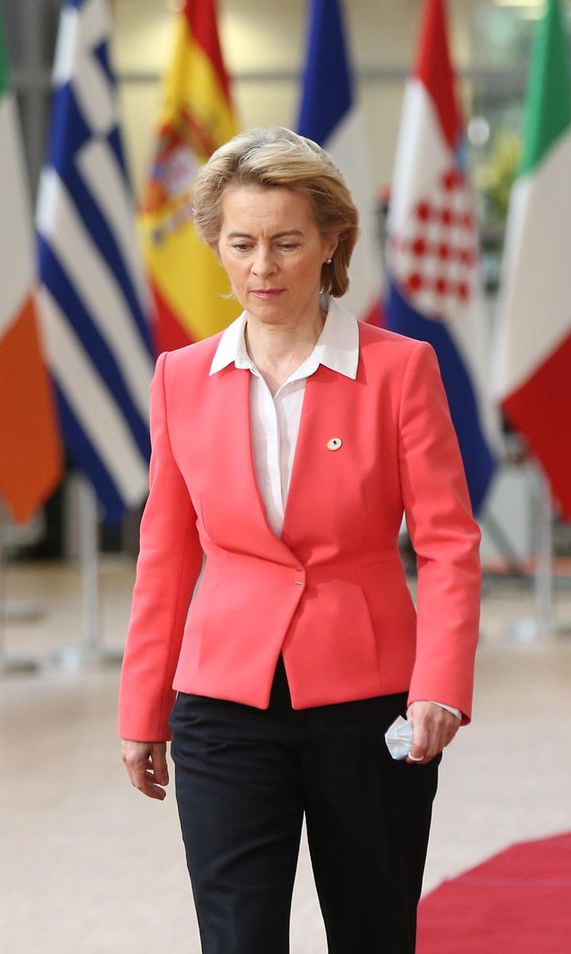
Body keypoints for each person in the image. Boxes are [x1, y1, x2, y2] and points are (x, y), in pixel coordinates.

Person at [118, 127, 482, 953]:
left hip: (371, 704)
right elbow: (167, 552)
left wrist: (441, 685)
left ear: (331, 243)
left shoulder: (401, 370)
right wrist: (142, 704)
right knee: (238, 939)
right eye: (241, 244)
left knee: (372, 931)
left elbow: (448, 544)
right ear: (216, 246)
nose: (262, 267)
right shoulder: (180, 377)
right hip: (222, 704)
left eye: (286, 243)